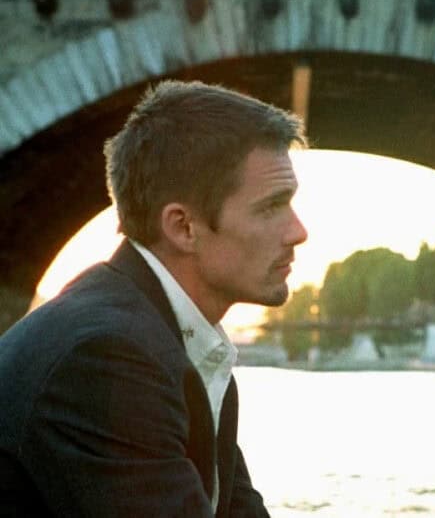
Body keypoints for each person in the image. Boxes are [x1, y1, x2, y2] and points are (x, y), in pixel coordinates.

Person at [0, 80, 308, 516]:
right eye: (271, 207)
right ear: (183, 227)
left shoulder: (171, 344)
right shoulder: (105, 357)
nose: (298, 231)